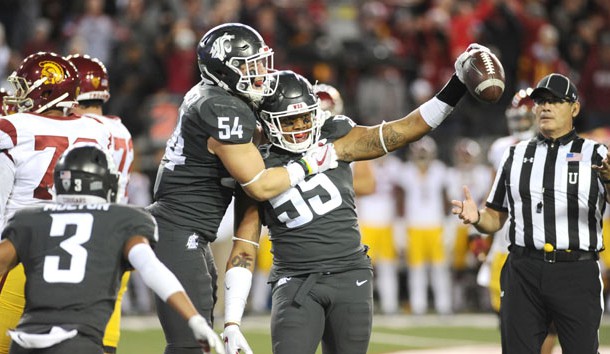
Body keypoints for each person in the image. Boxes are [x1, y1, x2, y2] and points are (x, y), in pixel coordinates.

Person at [222, 43, 493, 354]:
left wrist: (455, 86)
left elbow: (404, 130)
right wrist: (231, 320)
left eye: (305, 118)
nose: (299, 129)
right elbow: (244, 246)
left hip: (349, 275)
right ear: (268, 121)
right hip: (295, 280)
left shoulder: (335, 135)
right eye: (288, 121)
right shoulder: (255, 164)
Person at [146, 23, 338, 354]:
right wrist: (310, 164)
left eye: (261, 64)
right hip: (180, 230)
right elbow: (260, 185)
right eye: (250, 67)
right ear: (223, 68)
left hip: (188, 230)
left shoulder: (213, 95)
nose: (261, 73)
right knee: (190, 344)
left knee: (200, 341)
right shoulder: (222, 107)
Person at [0, 143, 224, 354]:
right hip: (77, 342)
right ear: (105, 183)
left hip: (24, 340)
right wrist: (192, 317)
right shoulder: (122, 219)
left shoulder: (30, 219)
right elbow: (152, 269)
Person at [452, 73, 609, 354]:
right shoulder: (514, 154)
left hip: (575, 269)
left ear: (574, 108)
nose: (545, 107)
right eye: (541, 102)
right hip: (523, 269)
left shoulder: (596, 153)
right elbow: (495, 217)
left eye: (555, 101)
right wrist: (477, 219)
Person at [0, 52, 114, 354]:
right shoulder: (97, 130)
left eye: (24, 87)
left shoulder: (13, 128)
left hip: (16, 258)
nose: (17, 95)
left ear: (46, 89)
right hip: (77, 262)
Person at [480, 88, 559, 353]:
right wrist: (481, 235)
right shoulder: (502, 147)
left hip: (542, 240)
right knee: (509, 319)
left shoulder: (557, 146)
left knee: (548, 321)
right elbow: (493, 197)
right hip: (506, 242)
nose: (522, 123)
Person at [67, 53, 135, 354]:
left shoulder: (82, 128)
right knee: (107, 328)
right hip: (117, 227)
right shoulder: (120, 128)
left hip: (83, 230)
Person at [394, 136, 452, 315]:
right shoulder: (406, 171)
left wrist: (449, 225)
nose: (421, 156)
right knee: (416, 270)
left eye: (424, 152)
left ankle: (444, 306)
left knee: (440, 270)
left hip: (436, 226)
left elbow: (445, 200)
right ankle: (418, 306)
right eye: (419, 152)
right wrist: (400, 226)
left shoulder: (440, 171)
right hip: (414, 226)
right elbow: (400, 200)